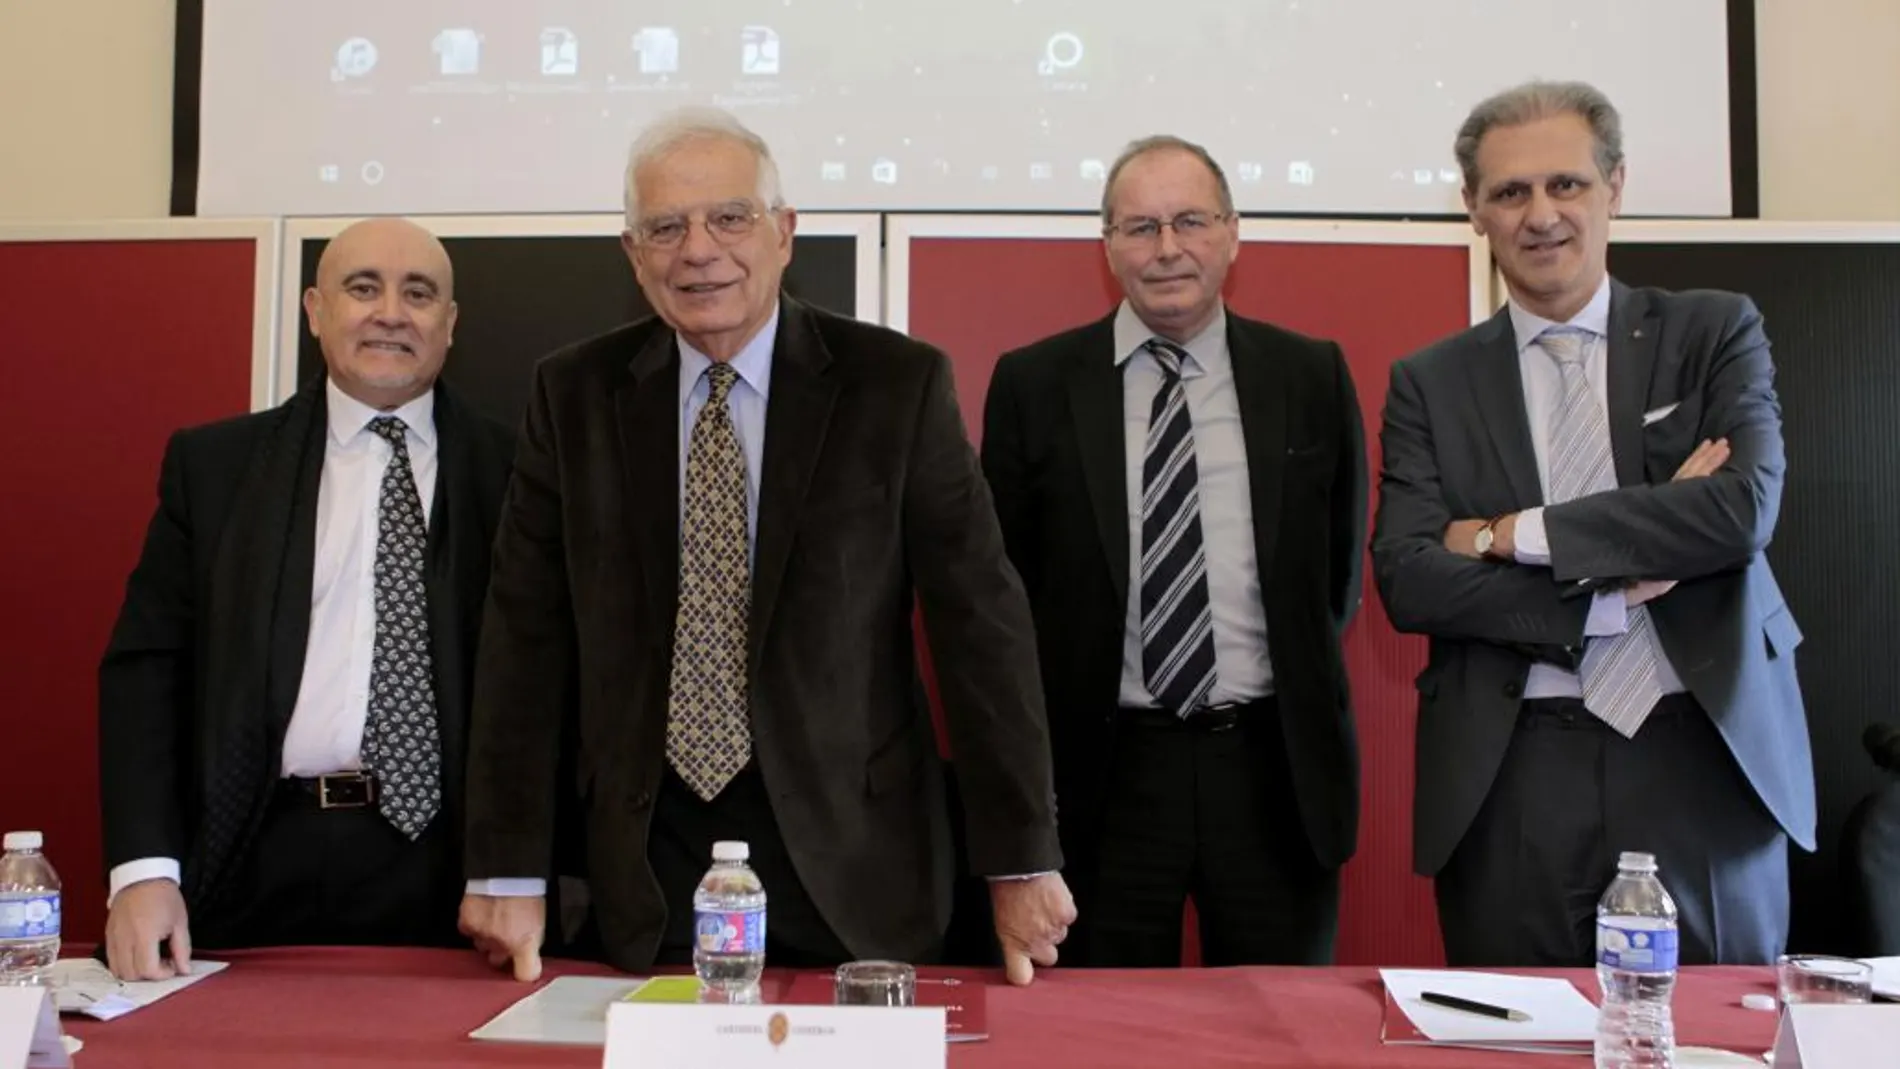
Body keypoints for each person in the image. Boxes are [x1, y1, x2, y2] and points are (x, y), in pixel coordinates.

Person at [457, 106, 1074, 984]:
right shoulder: (575, 396)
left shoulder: (895, 386)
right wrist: (506, 865)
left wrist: (1019, 857)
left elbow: (983, 629)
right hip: (648, 869)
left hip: (861, 870)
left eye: (730, 218)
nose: (698, 249)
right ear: (634, 254)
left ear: (784, 234)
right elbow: (523, 638)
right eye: (666, 227)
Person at [1371, 80, 1815, 967]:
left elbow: (1737, 512)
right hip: (1517, 770)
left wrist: (1508, 534)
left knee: (1714, 1036)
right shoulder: (1431, 381)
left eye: (1566, 184)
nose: (1541, 215)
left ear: (1615, 187)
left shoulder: (1714, 330)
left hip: (1704, 756)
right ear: (1474, 211)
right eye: (1509, 193)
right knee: (1514, 1039)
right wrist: (1613, 585)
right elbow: (1409, 576)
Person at [980, 135, 1366, 967]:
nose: (1167, 249)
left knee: (1281, 1032)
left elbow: (1334, 578)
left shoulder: (1311, 377)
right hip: (1103, 778)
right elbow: (1002, 597)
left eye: (1189, 221)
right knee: (1102, 1033)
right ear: (1108, 246)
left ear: (1232, 233)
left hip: (1272, 772)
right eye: (1141, 226)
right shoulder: (1034, 386)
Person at [97, 218, 518, 979]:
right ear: (316, 310)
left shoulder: (518, 473)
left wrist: (517, 871)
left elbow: (546, 691)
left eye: (418, 293)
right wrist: (144, 869)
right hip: (255, 849)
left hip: (454, 872)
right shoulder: (216, 468)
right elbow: (147, 674)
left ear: (449, 326)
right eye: (363, 288)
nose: (391, 311)